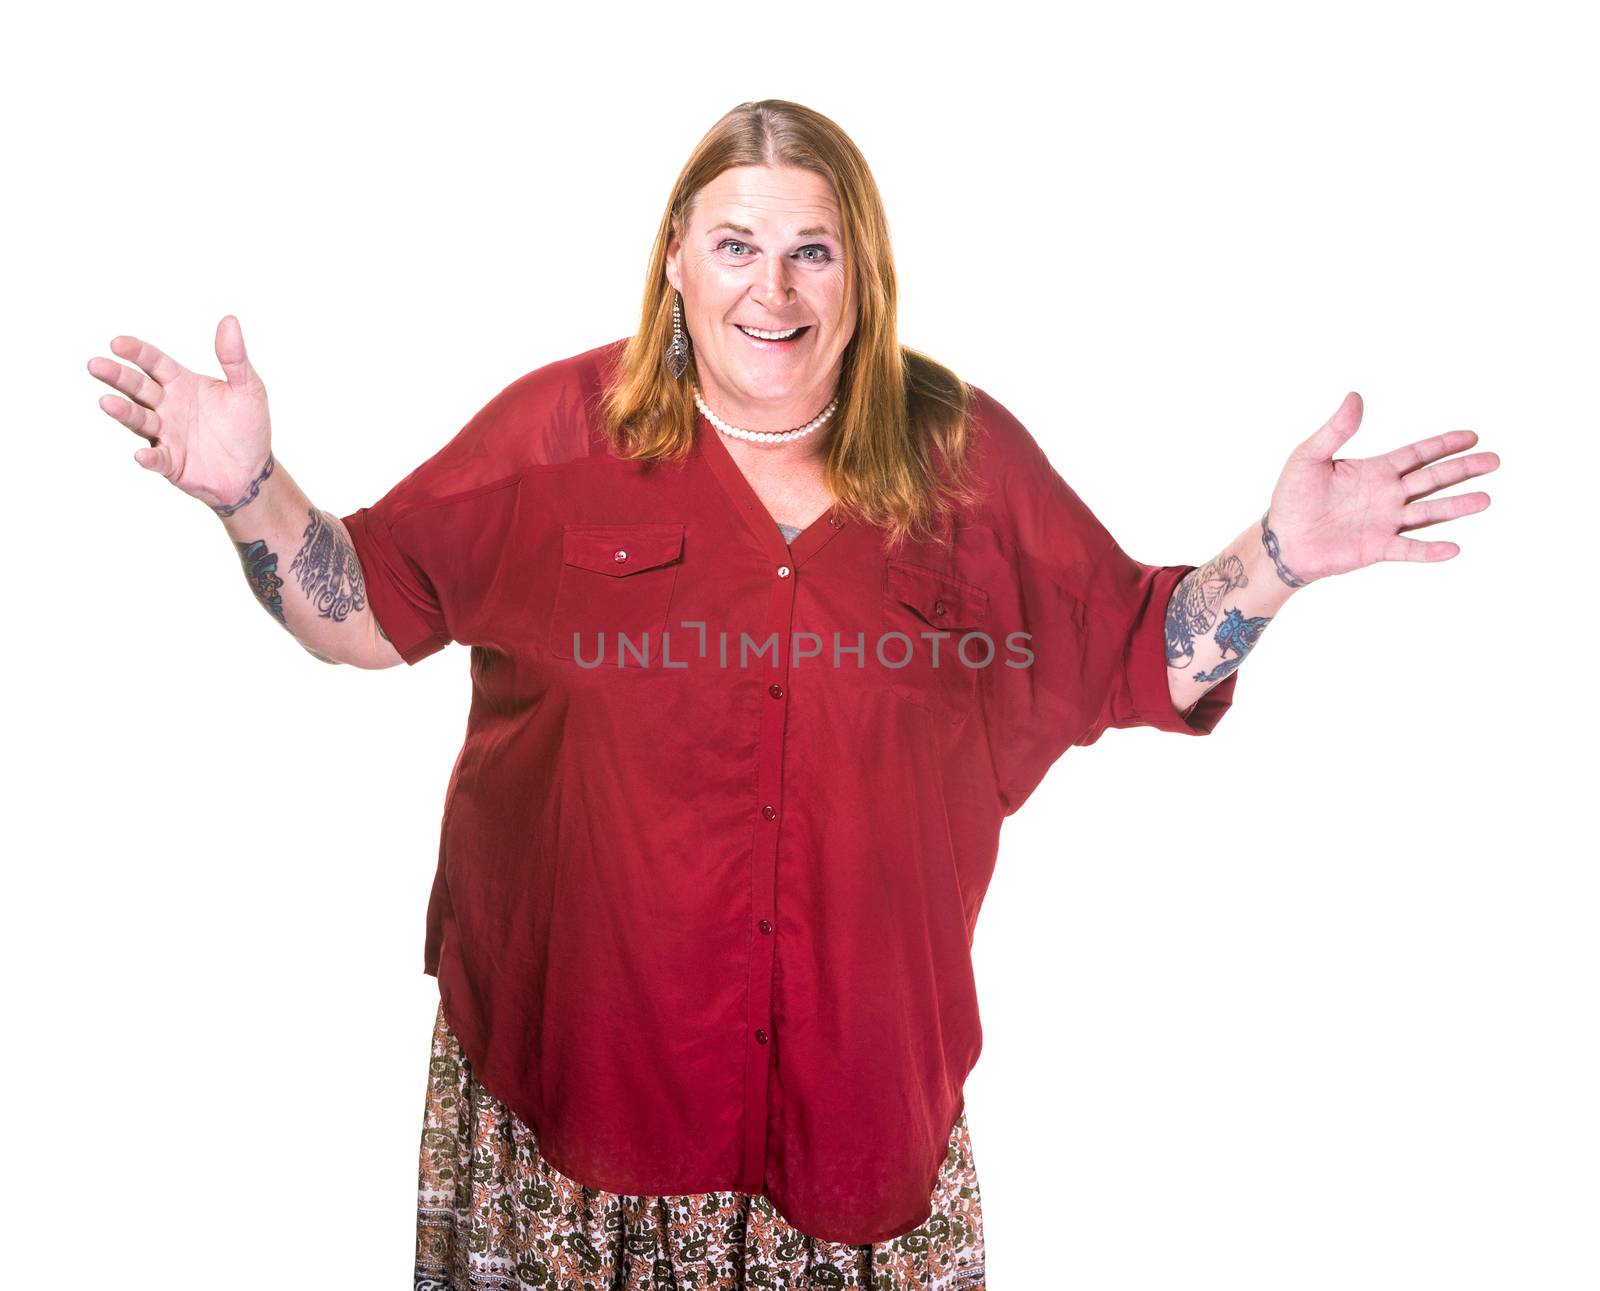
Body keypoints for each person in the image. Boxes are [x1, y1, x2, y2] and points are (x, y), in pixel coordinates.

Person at [85, 99, 1499, 1290]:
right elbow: (367, 613)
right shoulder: (553, 436)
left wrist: (1281, 562)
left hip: (855, 1111)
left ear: (861, 275)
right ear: (677, 270)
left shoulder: (963, 458)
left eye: (813, 250)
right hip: (584, 1097)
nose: (775, 289)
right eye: (739, 246)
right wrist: (248, 495)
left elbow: (1138, 647)